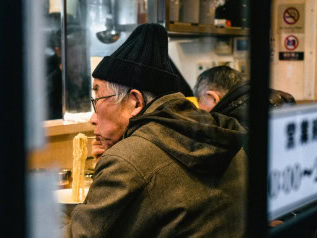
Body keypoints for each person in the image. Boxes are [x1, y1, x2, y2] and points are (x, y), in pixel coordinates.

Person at [62, 23, 247, 237]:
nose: (93, 118)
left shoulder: (127, 162)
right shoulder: (221, 136)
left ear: (135, 102)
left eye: (98, 98)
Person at [194, 66, 296, 130]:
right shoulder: (276, 101)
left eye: (199, 103)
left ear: (213, 98)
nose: (199, 111)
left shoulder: (229, 129)